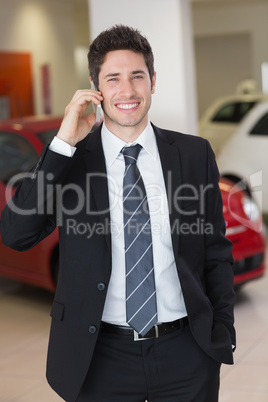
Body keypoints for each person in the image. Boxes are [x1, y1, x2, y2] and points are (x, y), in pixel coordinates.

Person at [0, 25, 236, 402]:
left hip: (186, 354)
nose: (126, 91)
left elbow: (215, 250)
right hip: (98, 358)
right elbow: (16, 233)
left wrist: (224, 329)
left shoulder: (193, 154)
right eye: (113, 78)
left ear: (153, 81)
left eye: (136, 77)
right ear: (95, 86)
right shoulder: (71, 161)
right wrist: (62, 145)